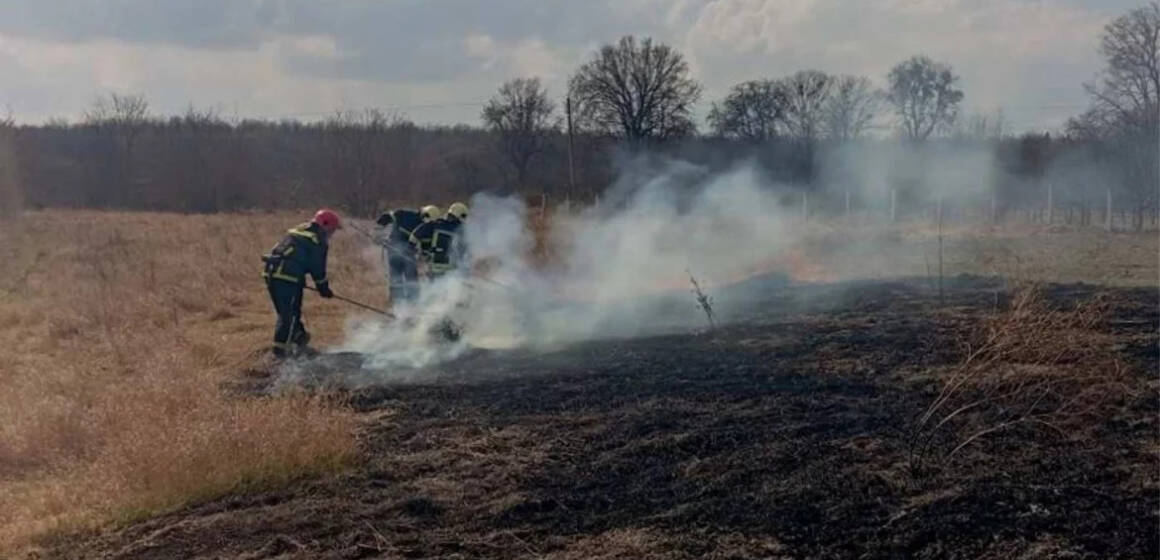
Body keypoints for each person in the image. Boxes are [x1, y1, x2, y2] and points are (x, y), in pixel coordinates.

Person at [261, 209, 340, 358]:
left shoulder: (298, 232)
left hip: (272, 273)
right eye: (333, 229)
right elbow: (318, 268)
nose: (333, 233)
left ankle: (299, 339)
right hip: (286, 277)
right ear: (325, 224)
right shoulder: (317, 240)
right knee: (288, 315)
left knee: (289, 311)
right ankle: (280, 352)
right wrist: (323, 288)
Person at [374, 205, 436, 303]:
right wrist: (379, 230)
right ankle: (402, 301)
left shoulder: (424, 226)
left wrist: (427, 258)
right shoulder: (405, 215)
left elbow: (425, 247)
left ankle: (407, 301)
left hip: (403, 252)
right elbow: (387, 217)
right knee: (400, 275)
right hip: (395, 249)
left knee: (403, 276)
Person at [410, 202, 468, 279]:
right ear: (460, 215)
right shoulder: (462, 230)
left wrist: (412, 248)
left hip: (434, 267)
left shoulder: (435, 224)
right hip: (452, 270)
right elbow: (463, 251)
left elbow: (414, 237)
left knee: (433, 288)